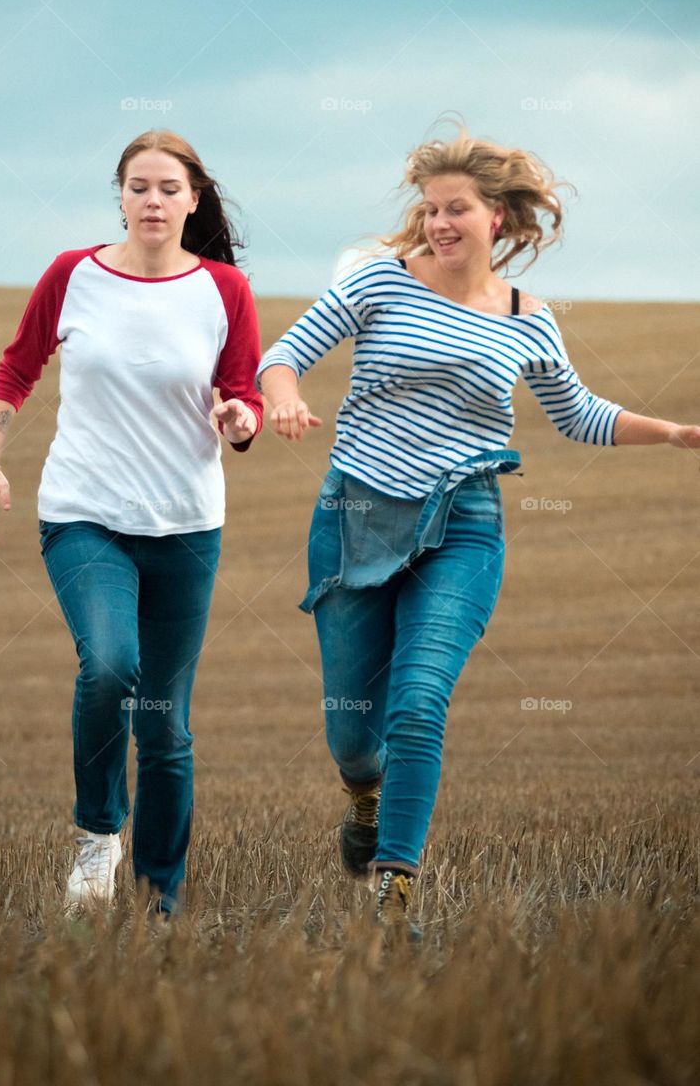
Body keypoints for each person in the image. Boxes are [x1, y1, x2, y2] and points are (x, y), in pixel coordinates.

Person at [257, 122, 700, 942]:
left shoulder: (531, 320)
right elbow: (282, 353)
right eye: (429, 210)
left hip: (463, 524)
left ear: (496, 217)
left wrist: (672, 433)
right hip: (356, 517)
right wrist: (281, 396)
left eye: (455, 208)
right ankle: (364, 793)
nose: (438, 224)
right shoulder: (377, 283)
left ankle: (395, 892)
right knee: (353, 735)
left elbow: (579, 416)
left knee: (419, 702)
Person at [0, 130, 263, 919]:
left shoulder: (224, 288)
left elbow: (242, 399)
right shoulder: (73, 275)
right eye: (138, 187)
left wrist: (238, 417)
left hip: (186, 528)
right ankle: (99, 835)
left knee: (165, 725)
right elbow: (17, 367)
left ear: (193, 198)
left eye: (169, 188)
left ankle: (158, 901)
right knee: (108, 666)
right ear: (120, 196)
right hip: (83, 515)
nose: (153, 201)